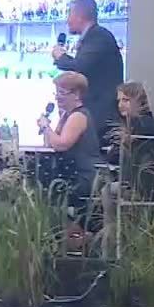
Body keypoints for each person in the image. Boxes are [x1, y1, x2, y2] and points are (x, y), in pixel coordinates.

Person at [101, 82, 154, 258]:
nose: (121, 105)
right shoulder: (153, 124)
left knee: (106, 190)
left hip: (142, 188)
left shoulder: (138, 128)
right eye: (119, 100)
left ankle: (111, 250)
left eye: (126, 100)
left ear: (139, 102)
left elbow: (114, 158)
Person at [53, 0, 124, 141]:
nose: (67, 21)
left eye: (69, 15)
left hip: (101, 114)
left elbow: (81, 67)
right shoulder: (91, 37)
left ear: (80, 17)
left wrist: (61, 57)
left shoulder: (98, 36)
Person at [38, 71, 102, 221]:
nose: (57, 97)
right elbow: (51, 143)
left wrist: (46, 127)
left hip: (83, 176)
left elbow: (61, 144)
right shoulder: (68, 115)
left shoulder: (78, 116)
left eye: (61, 92)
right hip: (72, 173)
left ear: (76, 94)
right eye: (56, 92)